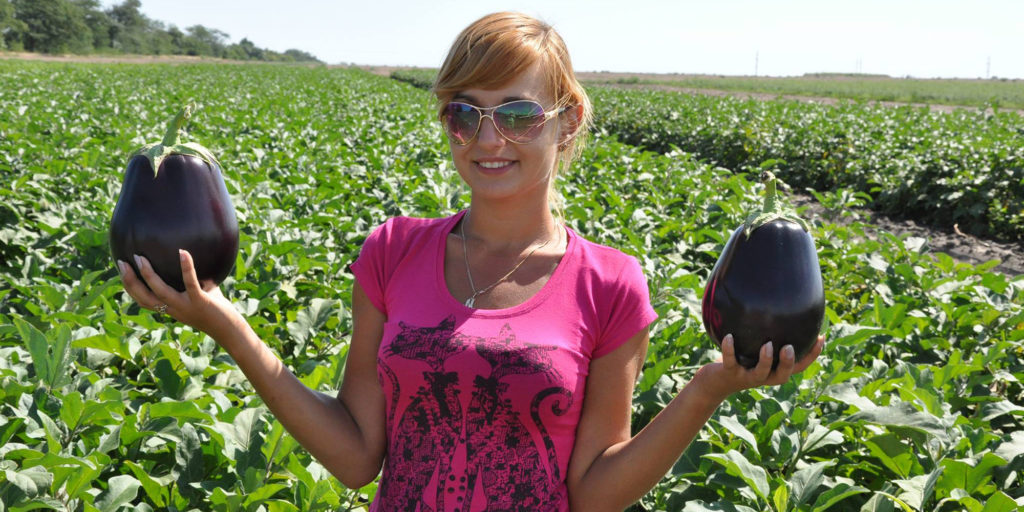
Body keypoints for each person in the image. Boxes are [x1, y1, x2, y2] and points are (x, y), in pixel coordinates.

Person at [118, 11, 824, 512]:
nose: (488, 139)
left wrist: (705, 391)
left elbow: (593, 493)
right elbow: (357, 457)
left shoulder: (610, 284)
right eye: (465, 113)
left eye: (517, 115)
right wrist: (227, 326)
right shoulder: (392, 250)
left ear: (567, 122)